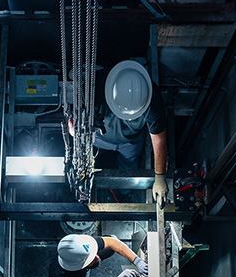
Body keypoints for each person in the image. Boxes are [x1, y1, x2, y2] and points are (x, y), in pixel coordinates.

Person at [68, 60, 170, 205]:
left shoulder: (151, 97)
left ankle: (124, 194)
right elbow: (74, 121)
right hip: (98, 138)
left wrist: (160, 177)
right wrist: (75, 133)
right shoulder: (93, 88)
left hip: (130, 141)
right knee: (86, 166)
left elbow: (159, 139)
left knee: (129, 170)